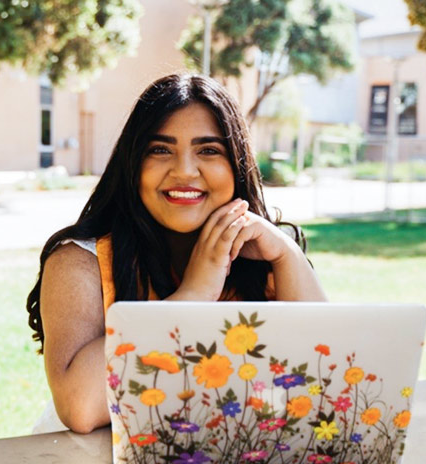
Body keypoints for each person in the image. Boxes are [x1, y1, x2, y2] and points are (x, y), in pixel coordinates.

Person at [26, 74, 327, 434]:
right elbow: (80, 409)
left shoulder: (266, 258)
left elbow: (325, 381)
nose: (184, 171)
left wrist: (287, 255)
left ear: (238, 164)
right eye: (160, 149)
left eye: (209, 150)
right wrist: (193, 295)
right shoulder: (80, 262)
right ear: (133, 163)